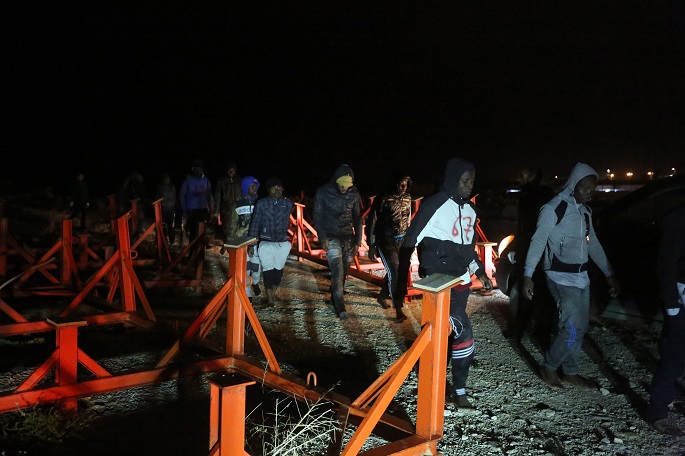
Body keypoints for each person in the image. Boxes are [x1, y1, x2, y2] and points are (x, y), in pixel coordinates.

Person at [396, 158, 493, 409]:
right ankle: (459, 391)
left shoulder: (470, 211)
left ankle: (430, 375)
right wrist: (401, 280)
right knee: (463, 330)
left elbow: (468, 249)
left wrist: (480, 272)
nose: (469, 185)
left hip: (461, 282)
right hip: (438, 283)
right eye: (464, 180)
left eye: (472, 180)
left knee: (444, 334)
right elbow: (410, 240)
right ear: (452, 179)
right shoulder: (434, 205)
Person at [522, 162, 620, 390]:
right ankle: (549, 366)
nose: (589, 193)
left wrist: (609, 273)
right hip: (559, 276)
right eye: (585, 188)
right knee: (572, 326)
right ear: (573, 184)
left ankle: (570, 371)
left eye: (592, 189)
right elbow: (538, 241)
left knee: (580, 326)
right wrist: (528, 274)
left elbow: (593, 244)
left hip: (581, 277)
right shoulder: (553, 209)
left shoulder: (585, 212)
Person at [644, 201, 685, 435]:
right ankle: (657, 410)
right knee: (673, 356)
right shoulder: (678, 217)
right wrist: (672, 304)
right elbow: (666, 262)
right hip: (680, 296)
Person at [506, 165, 555, 343]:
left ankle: (521, 329)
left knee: (526, 290)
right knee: (542, 290)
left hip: (528, 248)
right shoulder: (548, 195)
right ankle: (541, 331)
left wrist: (516, 248)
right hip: (542, 248)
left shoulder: (526, 196)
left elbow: (523, 226)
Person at [313, 164, 363, 320]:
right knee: (337, 271)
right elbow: (317, 215)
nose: (344, 187)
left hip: (348, 236)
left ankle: (334, 298)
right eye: (342, 184)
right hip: (330, 236)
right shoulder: (323, 192)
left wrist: (358, 241)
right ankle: (340, 307)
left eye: (347, 185)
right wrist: (322, 237)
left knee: (344, 271)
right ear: (335, 180)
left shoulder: (354, 193)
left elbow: (357, 217)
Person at [365, 174, 413, 322]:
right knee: (394, 271)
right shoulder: (383, 199)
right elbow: (372, 221)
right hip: (386, 240)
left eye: (406, 184)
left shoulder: (408, 198)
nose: (403, 187)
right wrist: (371, 245)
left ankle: (383, 295)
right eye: (401, 184)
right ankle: (398, 308)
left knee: (400, 271)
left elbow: (408, 219)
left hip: (403, 240)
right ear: (395, 184)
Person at [247, 177, 293, 306]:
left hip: (282, 242)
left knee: (278, 270)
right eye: (274, 187)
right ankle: (270, 297)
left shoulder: (287, 204)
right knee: (268, 269)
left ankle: (273, 293)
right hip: (266, 241)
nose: (277, 189)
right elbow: (255, 223)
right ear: (268, 190)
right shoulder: (261, 204)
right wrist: (251, 244)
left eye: (279, 187)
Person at [229, 176, 262, 300]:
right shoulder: (237, 204)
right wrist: (231, 241)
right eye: (251, 186)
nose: (254, 188)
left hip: (256, 239)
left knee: (256, 267)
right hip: (242, 240)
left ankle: (255, 282)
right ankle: (248, 295)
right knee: (245, 268)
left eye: (256, 186)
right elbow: (232, 224)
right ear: (245, 187)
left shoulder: (260, 202)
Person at [179, 160, 214, 244]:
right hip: (191, 211)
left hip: (202, 210)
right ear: (193, 169)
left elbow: (209, 196)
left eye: (199, 168)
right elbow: (181, 195)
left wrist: (212, 210)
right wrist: (184, 209)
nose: (198, 170)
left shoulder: (206, 180)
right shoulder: (187, 180)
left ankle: (200, 250)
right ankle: (192, 250)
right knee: (193, 233)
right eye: (196, 168)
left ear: (202, 169)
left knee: (202, 233)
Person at [213, 161, 242, 252]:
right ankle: (226, 244)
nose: (231, 172)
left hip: (237, 207)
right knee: (226, 227)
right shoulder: (222, 181)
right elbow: (218, 196)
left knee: (236, 227)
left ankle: (231, 245)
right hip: (226, 207)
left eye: (233, 170)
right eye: (229, 170)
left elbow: (243, 193)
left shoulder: (239, 180)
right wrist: (216, 210)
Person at [154, 173, 178, 246]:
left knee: (172, 226)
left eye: (168, 179)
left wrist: (174, 204)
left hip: (171, 209)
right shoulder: (160, 187)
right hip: (163, 209)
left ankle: (172, 241)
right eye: (165, 179)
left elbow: (175, 197)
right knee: (162, 226)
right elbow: (157, 198)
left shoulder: (172, 187)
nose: (167, 180)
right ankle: (163, 240)